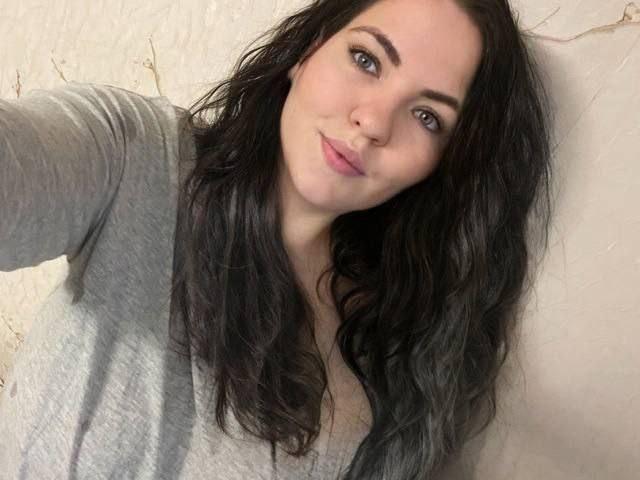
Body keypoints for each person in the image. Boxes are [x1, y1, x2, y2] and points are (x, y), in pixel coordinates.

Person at [0, 0, 552, 478]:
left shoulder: (389, 361)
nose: (374, 122)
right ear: (308, 51)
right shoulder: (137, 158)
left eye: (427, 116)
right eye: (366, 60)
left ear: (439, 166)